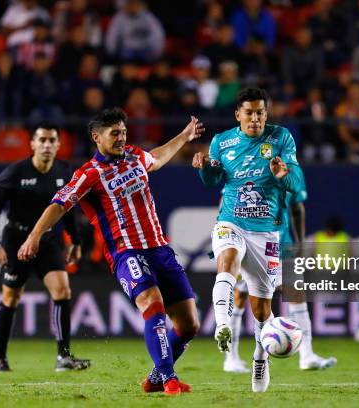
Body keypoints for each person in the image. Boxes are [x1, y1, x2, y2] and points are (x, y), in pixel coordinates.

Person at [17, 108, 203, 395]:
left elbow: (158, 157)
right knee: (152, 303)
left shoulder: (135, 156)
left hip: (160, 249)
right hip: (126, 253)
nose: (121, 138)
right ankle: (169, 380)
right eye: (114, 133)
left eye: (124, 132)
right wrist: (34, 236)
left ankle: (155, 377)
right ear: (97, 137)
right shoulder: (89, 174)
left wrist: (184, 136)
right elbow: (59, 204)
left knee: (189, 325)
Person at [192, 87, 302, 392]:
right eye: (249, 112)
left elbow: (295, 181)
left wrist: (283, 175)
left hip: (266, 231)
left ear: (266, 114)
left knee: (262, 312)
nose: (255, 118)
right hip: (231, 221)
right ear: (238, 114)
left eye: (260, 112)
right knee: (226, 259)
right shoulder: (221, 142)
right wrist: (204, 170)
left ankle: (259, 358)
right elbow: (214, 180)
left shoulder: (281, 138)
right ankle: (223, 324)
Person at [0, 124, 89, 372]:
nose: (46, 145)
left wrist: (74, 241)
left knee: (62, 291)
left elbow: (68, 209)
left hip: (49, 240)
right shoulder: (15, 172)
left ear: (58, 145)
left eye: (51, 140)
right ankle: (0, 359)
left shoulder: (65, 171)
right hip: (17, 240)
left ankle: (63, 357)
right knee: (11, 297)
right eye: (41, 140)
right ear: (32, 144)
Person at [223, 168, 337, 373]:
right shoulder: (241, 165)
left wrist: (299, 243)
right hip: (250, 244)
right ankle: (231, 358)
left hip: (282, 245)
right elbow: (225, 205)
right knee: (239, 296)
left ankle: (307, 355)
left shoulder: (292, 170)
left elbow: (297, 208)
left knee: (296, 296)